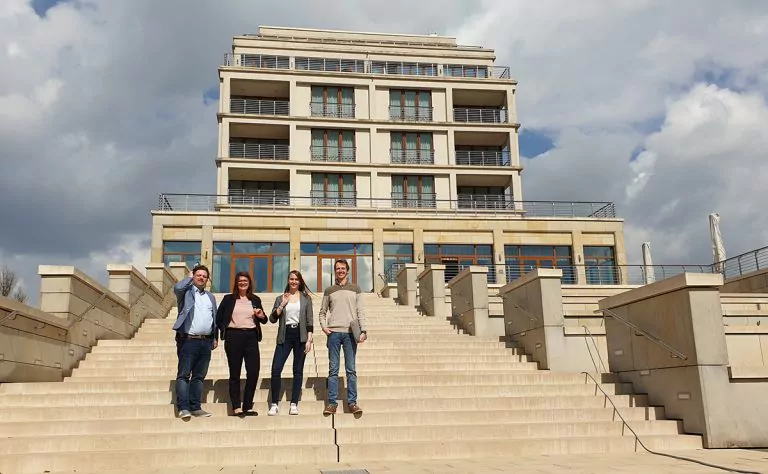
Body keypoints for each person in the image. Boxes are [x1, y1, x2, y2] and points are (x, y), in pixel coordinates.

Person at [319, 259, 367, 415]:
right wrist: (324, 326)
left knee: (351, 370)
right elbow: (322, 312)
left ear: (347, 270)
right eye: (337, 268)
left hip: (350, 334)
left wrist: (364, 330)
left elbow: (360, 311)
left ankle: (352, 403)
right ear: (335, 271)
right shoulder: (329, 290)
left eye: (343, 268)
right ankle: (332, 403)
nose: (340, 271)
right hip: (333, 334)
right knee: (333, 370)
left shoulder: (356, 289)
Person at [215, 271, 267, 416]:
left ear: (249, 283)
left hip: (251, 337)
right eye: (240, 281)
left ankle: (248, 405)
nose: (243, 283)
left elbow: (264, 319)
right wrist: (225, 329)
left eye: (245, 280)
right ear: (236, 283)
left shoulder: (255, 299)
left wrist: (261, 315)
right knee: (235, 372)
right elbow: (219, 319)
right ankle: (236, 406)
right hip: (234, 336)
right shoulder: (228, 299)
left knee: (253, 371)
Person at [172, 264, 218, 420]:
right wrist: (190, 277)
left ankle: (195, 407)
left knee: (199, 376)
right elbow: (177, 287)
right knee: (184, 375)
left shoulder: (210, 297)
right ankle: (183, 407)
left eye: (204, 276)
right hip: (188, 340)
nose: (201, 278)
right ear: (194, 276)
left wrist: (214, 337)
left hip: (205, 341)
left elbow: (214, 319)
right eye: (199, 275)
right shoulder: (186, 292)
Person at [267, 270, 314, 416]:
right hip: (285, 335)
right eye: (291, 279)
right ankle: (274, 403)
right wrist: (282, 305)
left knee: (298, 370)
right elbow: (272, 318)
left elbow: (309, 320)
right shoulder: (281, 298)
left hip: (300, 336)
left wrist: (309, 339)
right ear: (288, 281)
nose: (293, 281)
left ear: (300, 281)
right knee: (276, 369)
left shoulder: (306, 299)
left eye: (296, 279)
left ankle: (294, 403)